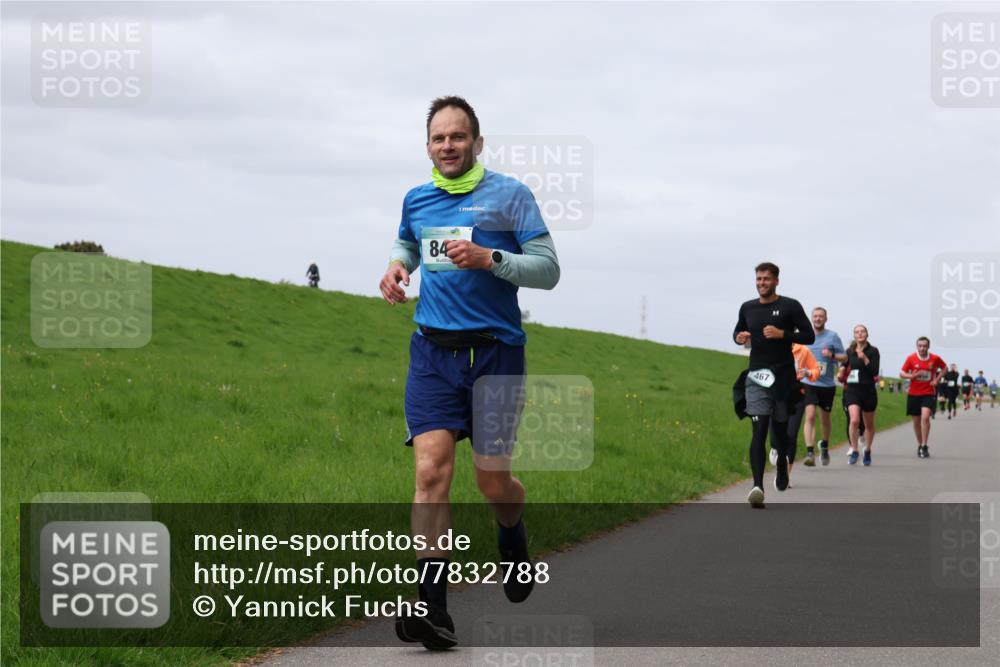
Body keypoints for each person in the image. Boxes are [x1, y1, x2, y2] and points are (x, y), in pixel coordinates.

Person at [379, 96, 560, 650]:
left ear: (477, 143)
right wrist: (396, 267)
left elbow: (548, 269)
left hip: (496, 356)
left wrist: (490, 259)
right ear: (427, 146)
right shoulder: (417, 197)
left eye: (458, 137)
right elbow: (409, 241)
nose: (448, 146)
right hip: (432, 353)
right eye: (438, 139)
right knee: (431, 472)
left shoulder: (510, 196)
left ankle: (512, 534)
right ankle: (433, 610)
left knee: (491, 480)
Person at [733, 262, 814, 507]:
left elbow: (808, 335)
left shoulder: (790, 306)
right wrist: (739, 337)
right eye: (758, 279)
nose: (761, 283)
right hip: (757, 376)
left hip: (783, 378)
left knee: (779, 432)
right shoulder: (747, 308)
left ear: (776, 281)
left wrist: (783, 334)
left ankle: (781, 463)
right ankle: (757, 486)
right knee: (758, 429)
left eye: (766, 279)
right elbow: (737, 332)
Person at [799, 307, 847, 467]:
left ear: (826, 319)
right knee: (810, 415)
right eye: (815, 316)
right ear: (812, 318)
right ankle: (810, 452)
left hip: (827, 385)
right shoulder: (806, 336)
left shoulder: (832, 337)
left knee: (825, 418)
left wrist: (832, 355)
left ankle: (824, 446)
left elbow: (844, 357)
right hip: (809, 383)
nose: (818, 319)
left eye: (821, 316)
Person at [775, 343, 821, 484]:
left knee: (791, 434)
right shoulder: (774, 346)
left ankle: (785, 475)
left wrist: (808, 373)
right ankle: (775, 450)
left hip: (796, 395)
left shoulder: (803, 350)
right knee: (777, 433)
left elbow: (816, 370)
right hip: (777, 394)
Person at [900, 337, 947, 459]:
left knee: (925, 417)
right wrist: (912, 376)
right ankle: (920, 444)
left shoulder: (934, 358)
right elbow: (902, 373)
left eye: (924, 346)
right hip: (914, 393)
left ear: (928, 347)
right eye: (920, 346)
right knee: (916, 422)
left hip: (928, 392)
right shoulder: (911, 358)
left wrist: (937, 379)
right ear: (917, 346)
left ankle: (925, 445)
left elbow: (945, 368)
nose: (922, 348)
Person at [844, 325, 879, 466]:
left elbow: (874, 371)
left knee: (869, 425)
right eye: (857, 332)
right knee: (854, 421)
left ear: (867, 334)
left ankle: (868, 450)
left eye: (862, 331)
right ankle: (855, 450)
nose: (860, 334)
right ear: (854, 335)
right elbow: (844, 364)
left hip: (868, 390)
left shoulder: (873, 351)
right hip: (852, 390)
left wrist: (864, 357)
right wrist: (841, 370)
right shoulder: (849, 351)